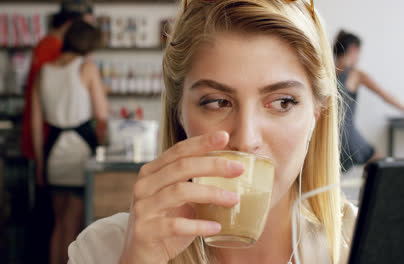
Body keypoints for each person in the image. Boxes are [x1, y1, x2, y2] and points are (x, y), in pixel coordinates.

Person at [68, 0, 356, 263]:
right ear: (178, 113)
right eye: (218, 103)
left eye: (282, 102)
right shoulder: (102, 250)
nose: (246, 141)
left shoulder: (365, 243)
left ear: (318, 113)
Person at [31, 20, 108, 264]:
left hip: (53, 150)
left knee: (58, 223)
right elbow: (102, 116)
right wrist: (103, 146)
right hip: (79, 150)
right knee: (73, 225)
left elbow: (36, 125)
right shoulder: (87, 68)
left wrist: (40, 164)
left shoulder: (43, 71)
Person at [21, 0, 95, 181]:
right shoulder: (55, 50)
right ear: (71, 25)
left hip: (47, 134)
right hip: (54, 136)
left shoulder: (44, 44)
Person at [334, 30, 404, 172]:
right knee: (379, 164)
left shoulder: (329, 73)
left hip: (330, 137)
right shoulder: (355, 74)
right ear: (353, 49)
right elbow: (385, 95)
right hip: (347, 137)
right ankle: (370, 194)